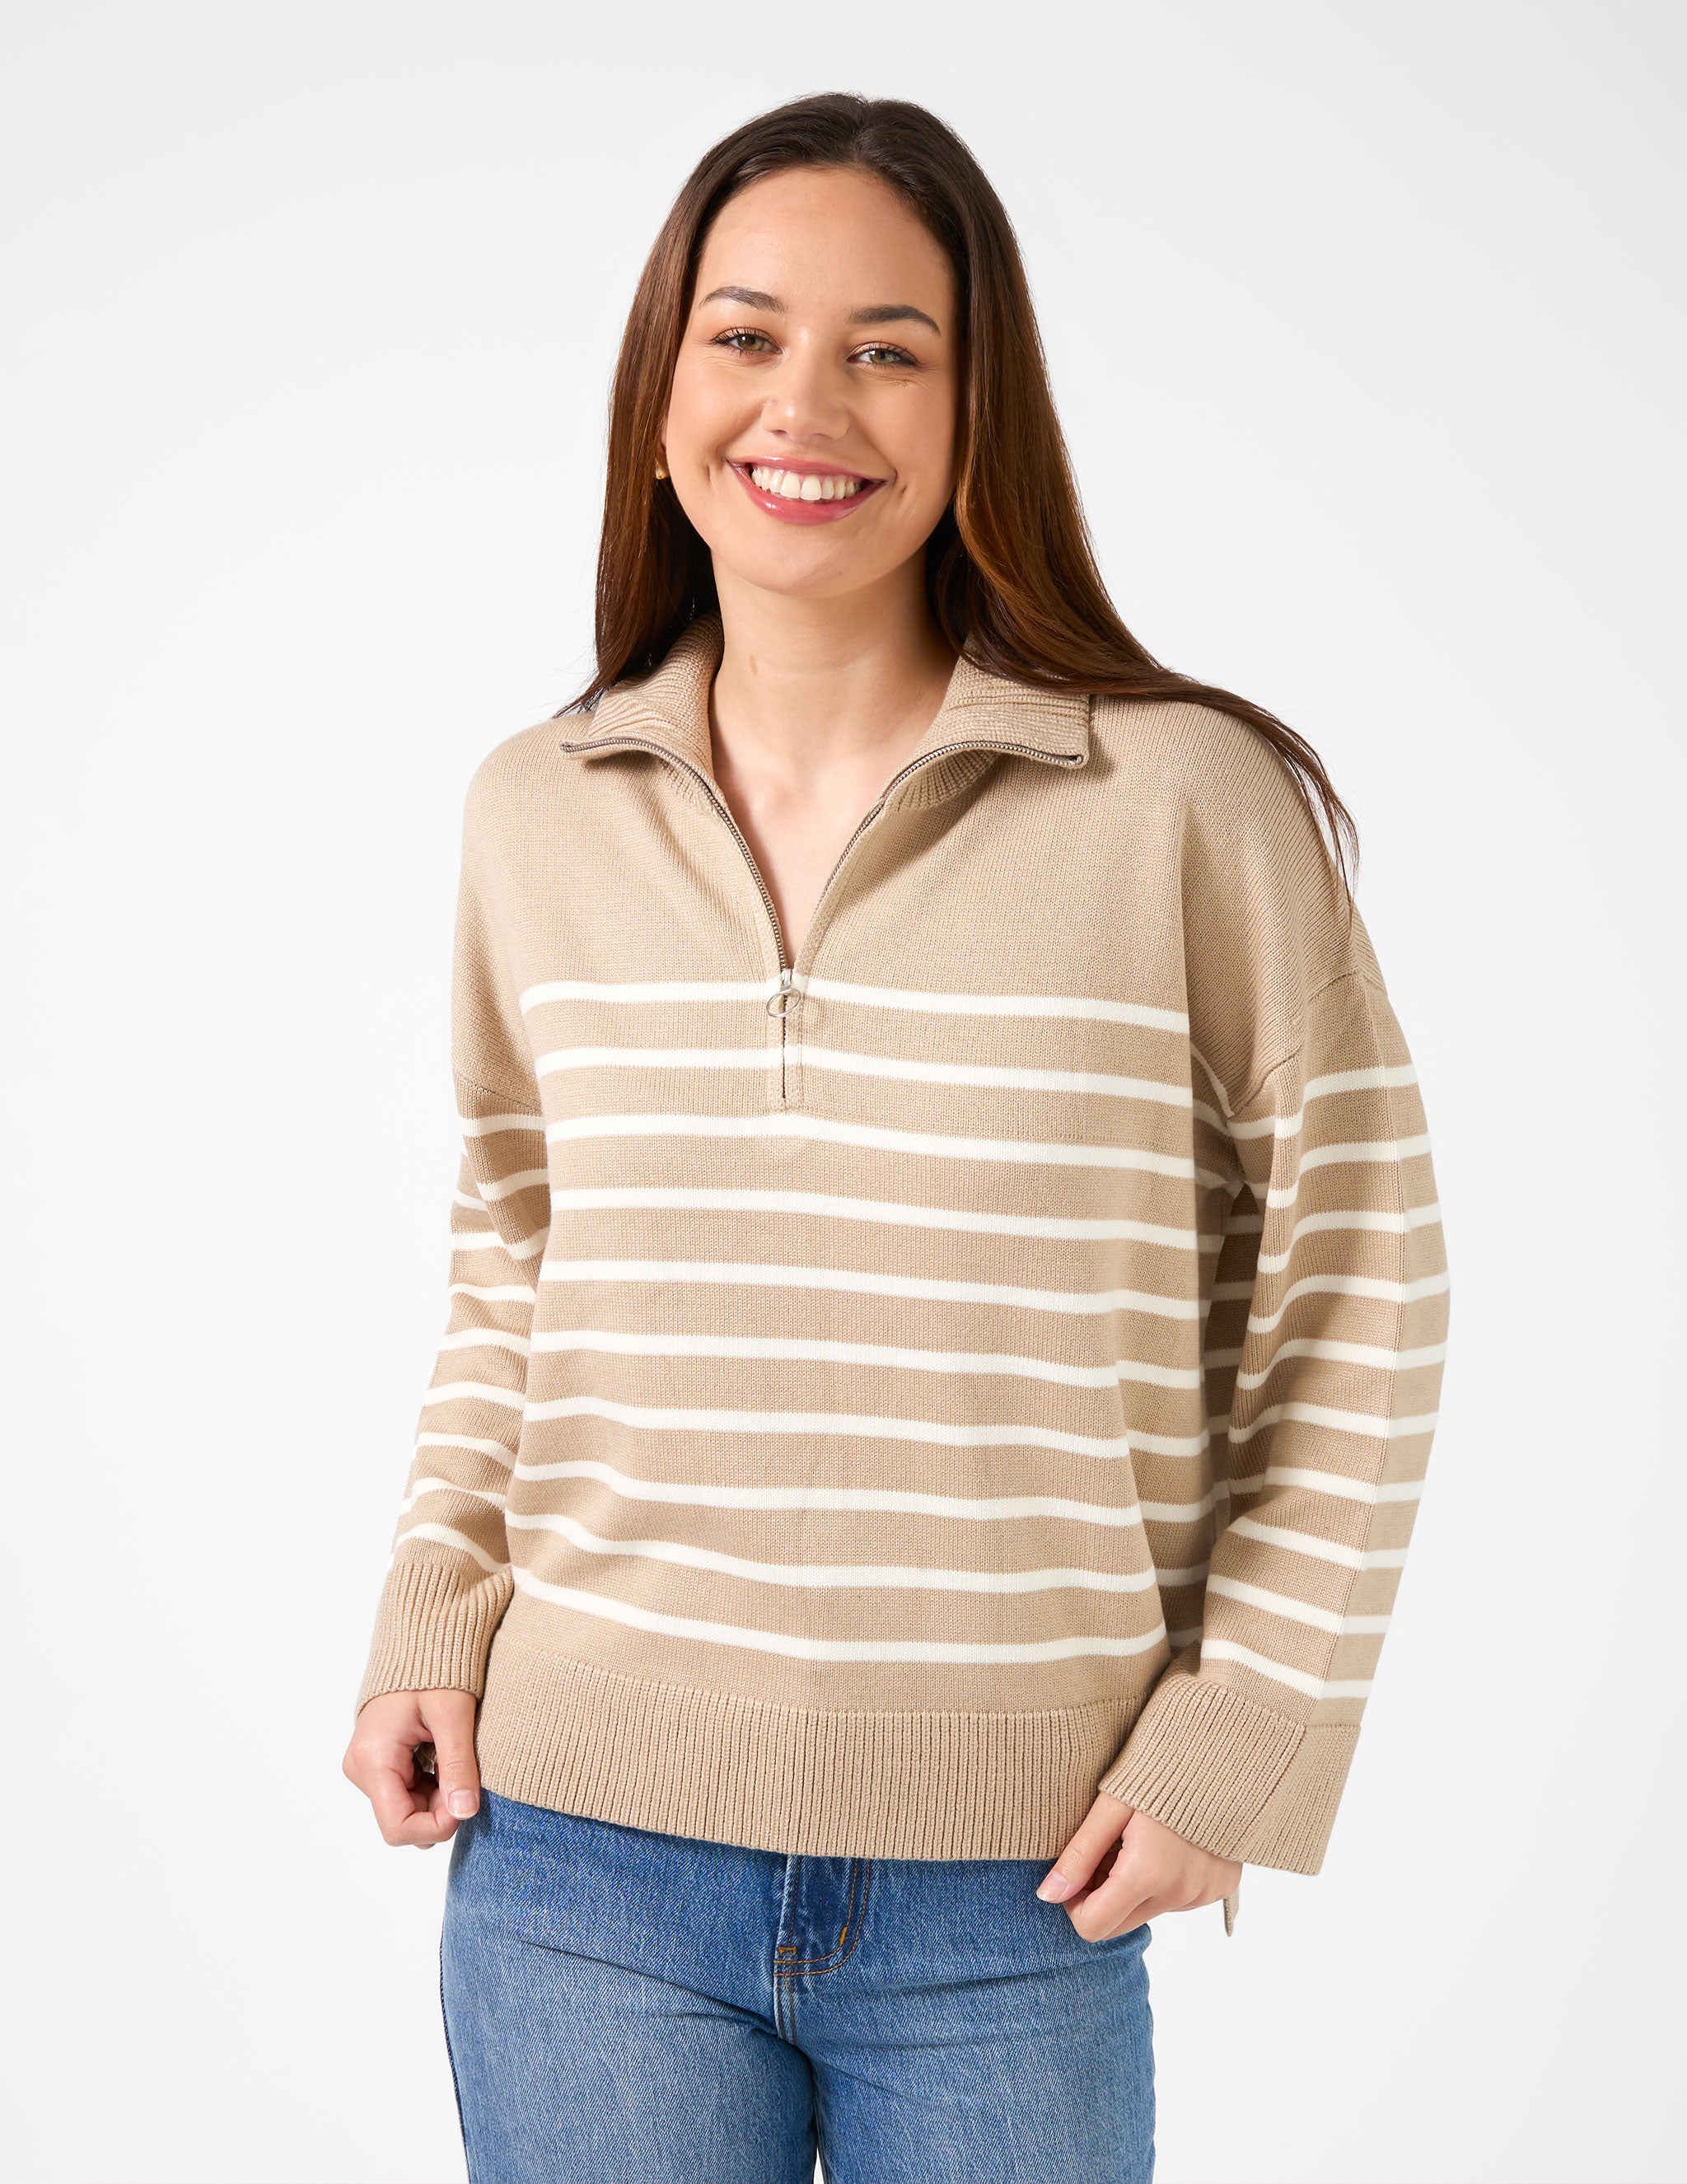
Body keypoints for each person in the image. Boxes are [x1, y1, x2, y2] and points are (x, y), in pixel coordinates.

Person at [343, 91, 1447, 2184]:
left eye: (887, 348)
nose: (806, 404)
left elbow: (1362, 1274)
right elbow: (515, 1249)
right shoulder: (534, 809)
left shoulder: (1178, 804)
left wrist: (1238, 1734)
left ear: (976, 408)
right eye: (745, 335)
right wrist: (432, 1608)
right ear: (661, 391)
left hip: (1013, 1891)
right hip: (573, 1865)